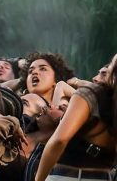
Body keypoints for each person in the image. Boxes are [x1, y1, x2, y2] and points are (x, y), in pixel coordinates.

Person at [31, 52, 116, 181]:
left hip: (68, 176)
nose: (95, 78)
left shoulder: (90, 95)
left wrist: (39, 178)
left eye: (104, 72)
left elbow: (59, 140)